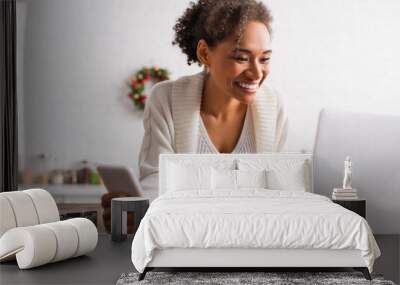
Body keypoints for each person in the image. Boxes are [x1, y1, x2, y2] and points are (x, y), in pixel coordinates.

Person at [139, 0, 288, 192]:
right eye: (241, 58)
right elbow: (154, 183)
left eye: (264, 59)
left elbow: (282, 186)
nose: (257, 73)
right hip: (185, 222)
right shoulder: (165, 99)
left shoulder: (274, 105)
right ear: (204, 53)